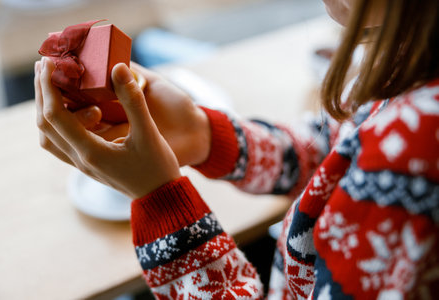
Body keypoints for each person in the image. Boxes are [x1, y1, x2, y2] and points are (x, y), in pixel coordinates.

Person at [34, 0, 438, 298]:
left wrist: (163, 205)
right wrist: (203, 134)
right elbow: (328, 154)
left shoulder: (413, 166)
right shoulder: (409, 49)